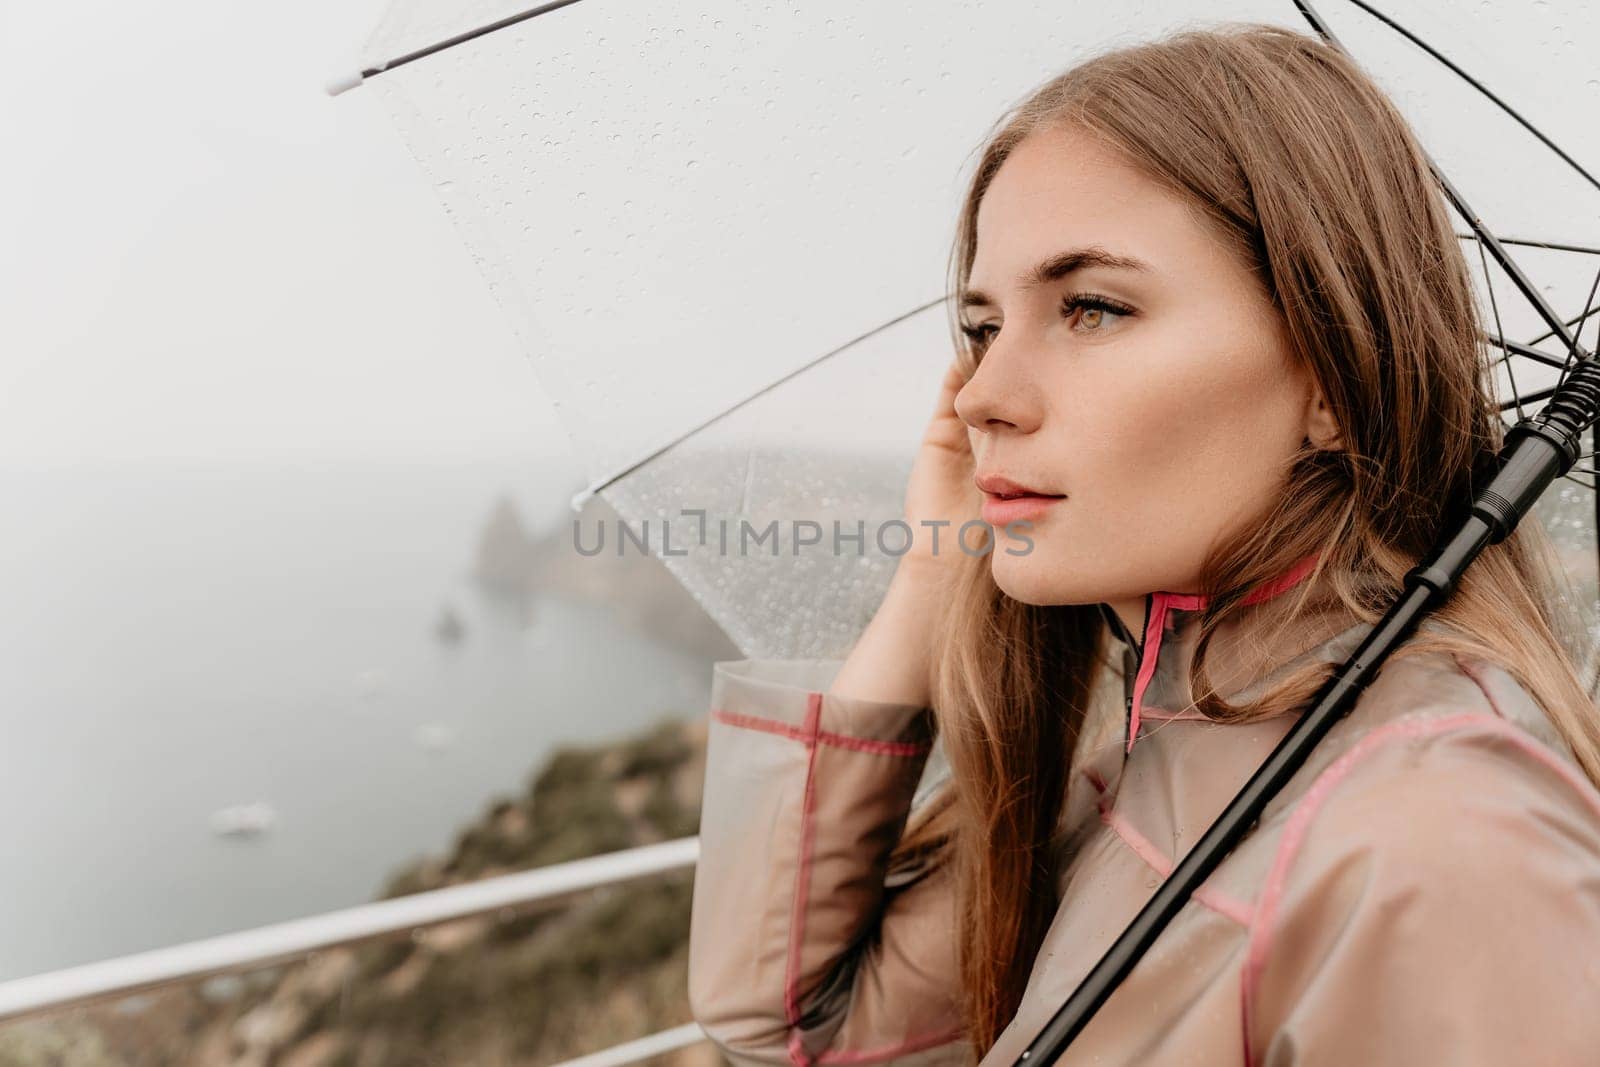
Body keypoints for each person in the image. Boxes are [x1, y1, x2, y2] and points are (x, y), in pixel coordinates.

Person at [686, 24, 1600, 1067]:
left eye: (1092, 307)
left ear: (1332, 381)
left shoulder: (1444, 840)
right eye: (983, 324)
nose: (981, 394)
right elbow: (795, 1022)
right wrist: (939, 565)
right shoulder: (1147, 746)